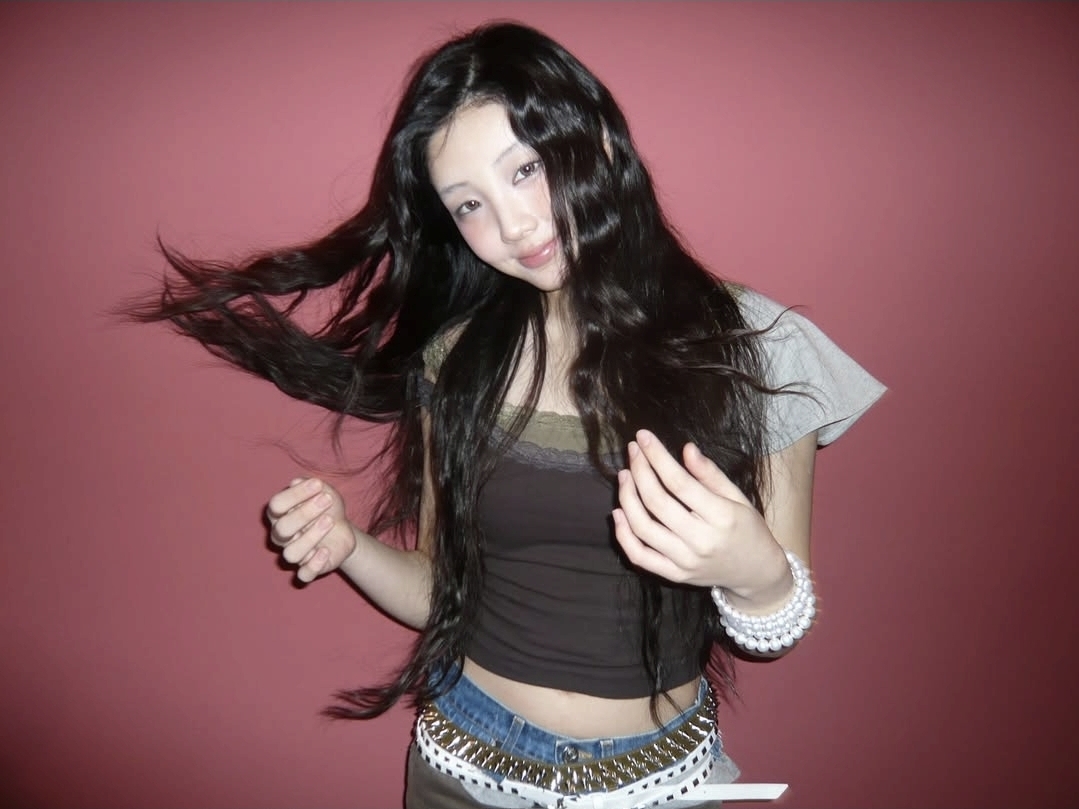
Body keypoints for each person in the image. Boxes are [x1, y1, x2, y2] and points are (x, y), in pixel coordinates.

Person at [128, 21, 885, 809]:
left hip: (657, 782)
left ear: (596, 139)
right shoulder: (458, 358)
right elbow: (441, 591)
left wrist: (754, 572)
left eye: (525, 168)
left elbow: (780, 624)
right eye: (469, 204)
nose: (514, 225)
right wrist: (349, 545)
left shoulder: (757, 345)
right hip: (465, 768)